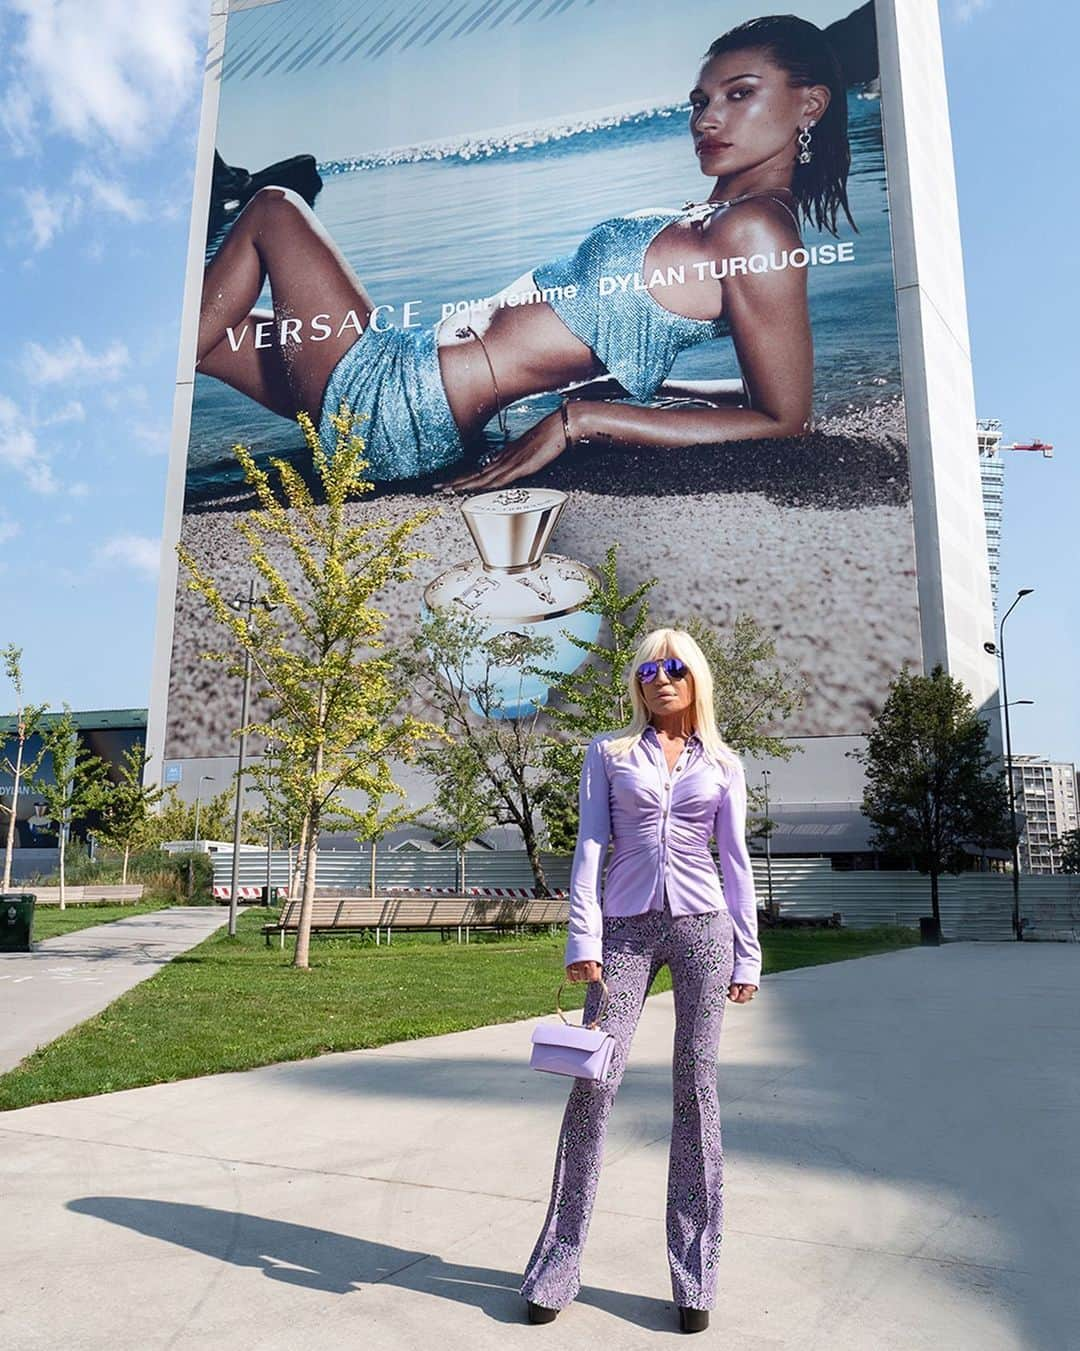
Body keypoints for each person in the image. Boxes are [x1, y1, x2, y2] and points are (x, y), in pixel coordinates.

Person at [195, 16, 853, 490]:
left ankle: (219, 214)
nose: (707, 119)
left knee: (276, 208)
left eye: (740, 94)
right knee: (199, 334)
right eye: (701, 101)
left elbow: (782, 417)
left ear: (810, 106)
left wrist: (582, 419)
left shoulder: (757, 234)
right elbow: (749, 398)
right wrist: (648, 397)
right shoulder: (718, 219)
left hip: (400, 404)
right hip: (413, 385)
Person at [519, 627, 760, 1333]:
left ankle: (695, 1277)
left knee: (697, 1085)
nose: (660, 678)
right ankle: (558, 1265)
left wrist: (748, 954)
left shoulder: (724, 761)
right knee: (594, 1084)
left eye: (675, 668)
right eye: (649, 668)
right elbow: (591, 841)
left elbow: (736, 859)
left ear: (696, 681)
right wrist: (581, 935)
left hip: (703, 927)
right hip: (623, 929)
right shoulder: (609, 751)